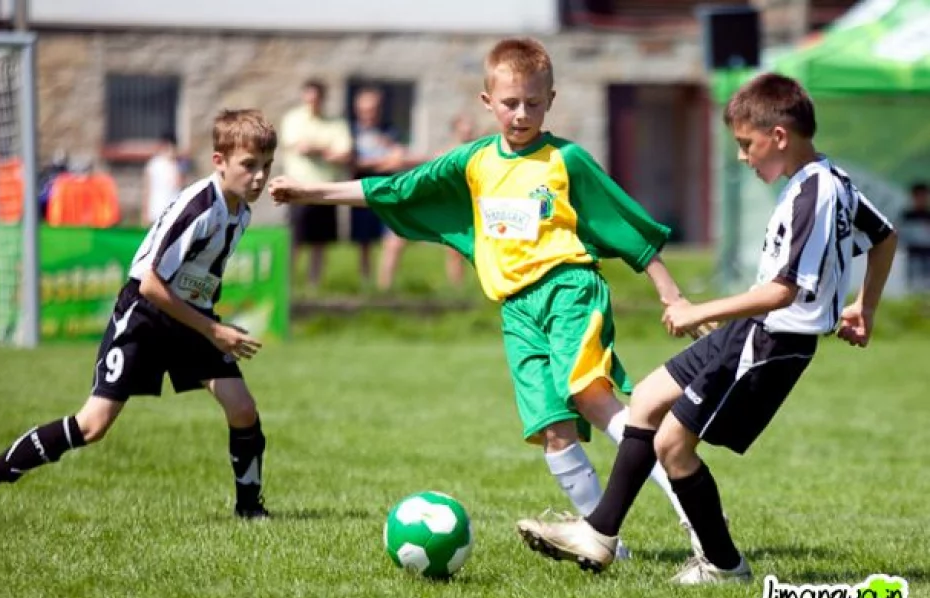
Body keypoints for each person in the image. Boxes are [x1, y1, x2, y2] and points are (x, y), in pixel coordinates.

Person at [269, 38, 704, 555]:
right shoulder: (474, 162)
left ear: (551, 99)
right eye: (510, 102)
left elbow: (625, 226)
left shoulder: (566, 160)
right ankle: (604, 544)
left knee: (591, 395)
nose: (522, 113)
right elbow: (397, 189)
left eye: (534, 103)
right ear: (487, 102)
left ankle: (695, 516)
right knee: (553, 431)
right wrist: (310, 191)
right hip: (516, 309)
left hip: (568, 289)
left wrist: (672, 294)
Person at [516, 72, 899, 584]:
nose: (743, 157)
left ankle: (722, 564)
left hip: (773, 341)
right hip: (756, 329)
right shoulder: (827, 181)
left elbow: (784, 290)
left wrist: (699, 310)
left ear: (779, 136)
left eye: (747, 144)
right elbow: (884, 235)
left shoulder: (818, 194)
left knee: (674, 446)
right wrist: (863, 306)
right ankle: (599, 533)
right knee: (649, 398)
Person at [0, 109, 278, 519]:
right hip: (145, 316)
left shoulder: (240, 211)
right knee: (93, 425)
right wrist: (213, 328)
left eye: (266, 166)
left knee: (242, 407)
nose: (259, 177)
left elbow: (196, 276)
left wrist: (208, 319)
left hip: (190, 318)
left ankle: (250, 510)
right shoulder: (199, 207)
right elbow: (150, 284)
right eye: (249, 166)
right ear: (219, 162)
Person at [376, 113, 476, 291]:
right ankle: (384, 287)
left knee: (456, 251)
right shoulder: (448, 152)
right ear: (456, 130)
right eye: (464, 126)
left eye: (470, 127)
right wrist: (401, 158)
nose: (468, 130)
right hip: (433, 205)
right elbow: (426, 162)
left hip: (456, 209)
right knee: (395, 241)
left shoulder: (478, 153)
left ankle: (457, 291)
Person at [280, 79, 353, 290]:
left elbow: (345, 152)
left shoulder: (335, 123)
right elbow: (301, 147)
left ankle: (314, 284)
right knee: (296, 239)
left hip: (326, 188)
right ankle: (287, 284)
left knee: (320, 240)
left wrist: (318, 149)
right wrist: (327, 150)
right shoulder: (294, 119)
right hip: (298, 188)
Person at [349, 86, 406, 286]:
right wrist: (380, 161)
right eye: (365, 110)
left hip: (387, 190)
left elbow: (398, 159)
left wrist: (369, 161)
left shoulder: (390, 131)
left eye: (373, 109)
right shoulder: (351, 132)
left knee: (394, 239)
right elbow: (351, 161)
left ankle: (385, 285)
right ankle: (365, 285)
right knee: (364, 242)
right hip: (361, 190)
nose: (369, 115)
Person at [142, 132, 183, 227]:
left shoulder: (177, 165)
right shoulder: (154, 164)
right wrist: (145, 213)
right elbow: (147, 189)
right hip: (156, 212)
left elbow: (179, 187)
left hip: (173, 213)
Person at [900, 182, 930, 290]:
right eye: (919, 196)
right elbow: (903, 236)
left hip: (928, 255)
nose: (922, 199)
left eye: (924, 196)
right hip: (913, 256)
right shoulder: (907, 216)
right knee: (913, 286)